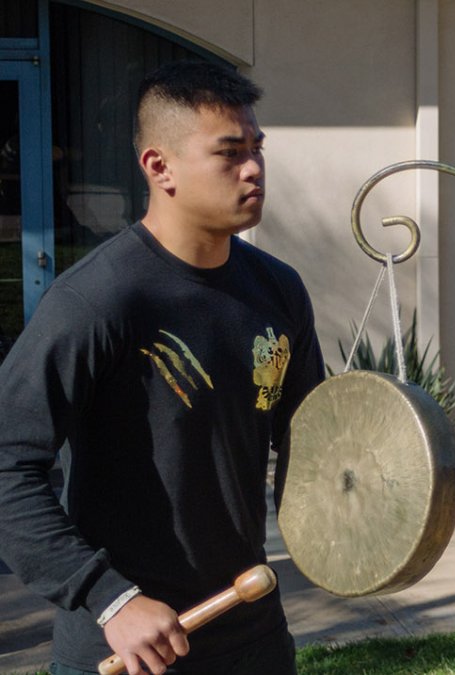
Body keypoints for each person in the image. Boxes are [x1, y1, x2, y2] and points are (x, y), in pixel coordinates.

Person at [0, 61, 323, 674]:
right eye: (229, 153)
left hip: (252, 628)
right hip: (126, 648)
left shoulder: (279, 290)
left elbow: (312, 445)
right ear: (159, 166)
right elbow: (7, 462)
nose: (254, 168)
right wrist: (108, 599)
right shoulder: (99, 300)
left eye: (257, 148)